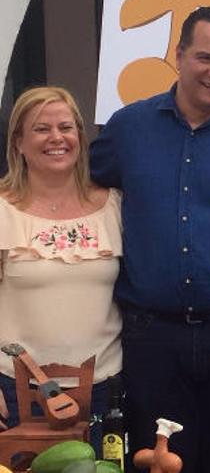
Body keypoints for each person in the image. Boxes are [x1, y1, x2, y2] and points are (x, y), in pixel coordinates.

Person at [90, 7, 210, 473]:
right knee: (160, 464)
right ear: (177, 56)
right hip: (151, 337)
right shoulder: (127, 129)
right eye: (205, 57)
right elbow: (81, 193)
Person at [0, 86, 122, 450]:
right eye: (41, 129)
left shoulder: (114, 205)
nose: (57, 138)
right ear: (18, 142)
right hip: (17, 393)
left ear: (81, 138)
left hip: (106, 389)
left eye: (66, 128)